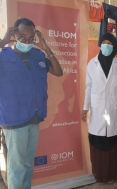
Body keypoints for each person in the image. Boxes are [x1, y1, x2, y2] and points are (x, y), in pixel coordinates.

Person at [0, 18, 63, 189]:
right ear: (14, 34)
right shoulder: (3, 56)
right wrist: (2, 42)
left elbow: (58, 72)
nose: (26, 42)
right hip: (14, 120)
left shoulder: (38, 55)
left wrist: (45, 47)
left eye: (30, 38)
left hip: (34, 116)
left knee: (28, 164)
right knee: (17, 167)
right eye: (22, 37)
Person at [81, 33, 117, 183]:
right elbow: (88, 87)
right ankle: (98, 174)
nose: (106, 45)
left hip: (113, 108)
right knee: (97, 139)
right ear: (100, 45)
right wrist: (85, 107)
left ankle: (112, 174)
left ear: (114, 46)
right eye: (104, 42)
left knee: (111, 139)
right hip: (97, 108)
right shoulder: (92, 64)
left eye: (110, 43)